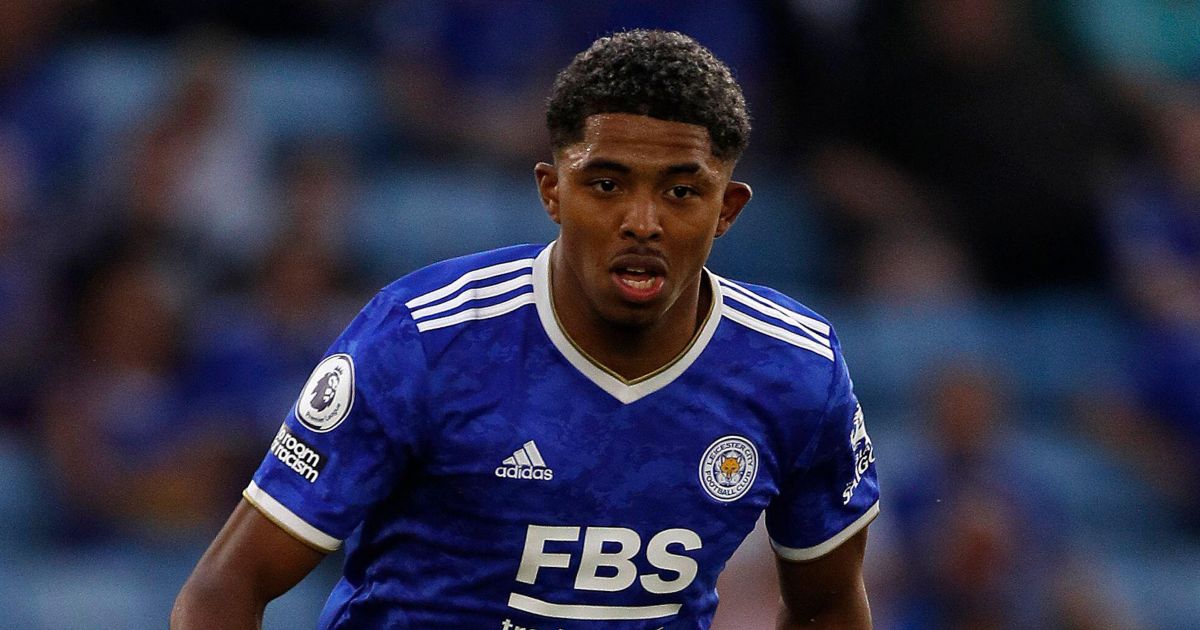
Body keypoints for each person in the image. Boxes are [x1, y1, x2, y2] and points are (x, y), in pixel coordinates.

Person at [172, 29, 878, 629]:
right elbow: (225, 588)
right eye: (606, 184)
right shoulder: (424, 339)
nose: (642, 221)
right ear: (551, 192)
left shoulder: (795, 371)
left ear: (728, 209)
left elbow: (827, 608)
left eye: (682, 191)